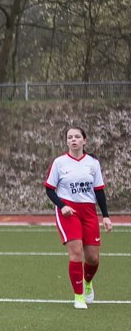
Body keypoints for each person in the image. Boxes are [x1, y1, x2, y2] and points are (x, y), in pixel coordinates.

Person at [45, 126, 113, 309]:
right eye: (70, 137)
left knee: (93, 258)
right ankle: (79, 296)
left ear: (84, 140)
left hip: (89, 212)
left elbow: (99, 191)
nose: (73, 140)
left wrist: (105, 216)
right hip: (68, 211)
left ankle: (88, 282)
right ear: (66, 141)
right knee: (76, 253)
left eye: (77, 137)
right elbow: (49, 189)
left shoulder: (92, 163)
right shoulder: (59, 163)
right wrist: (62, 205)